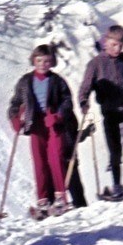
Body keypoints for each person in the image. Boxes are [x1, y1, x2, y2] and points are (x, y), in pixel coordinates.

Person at [78, 24, 123, 198]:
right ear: (105, 42)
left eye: (120, 45)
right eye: (113, 44)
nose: (117, 48)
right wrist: (83, 103)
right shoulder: (96, 64)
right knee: (115, 148)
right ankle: (117, 184)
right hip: (109, 110)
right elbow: (85, 88)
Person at [8, 44, 81, 217]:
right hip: (36, 124)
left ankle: (60, 196)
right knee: (39, 161)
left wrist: (58, 116)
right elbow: (15, 103)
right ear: (33, 60)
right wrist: (15, 119)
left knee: (56, 158)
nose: (42, 64)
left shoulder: (57, 80)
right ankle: (42, 199)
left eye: (47, 61)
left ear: (52, 62)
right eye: (39, 60)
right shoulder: (26, 81)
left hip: (53, 124)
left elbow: (67, 101)